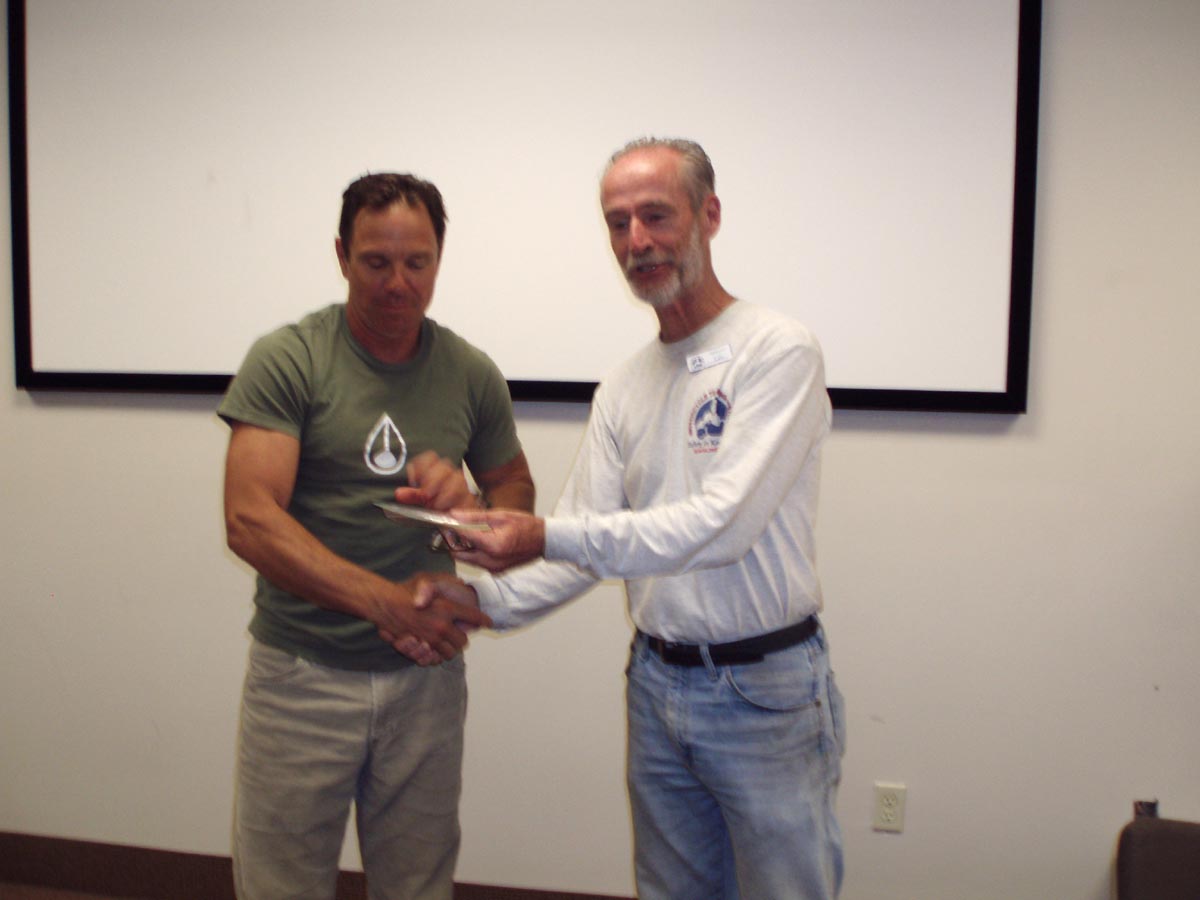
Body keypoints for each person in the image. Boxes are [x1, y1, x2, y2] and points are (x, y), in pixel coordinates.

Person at [430, 138, 845, 899]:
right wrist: (474, 602)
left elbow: (721, 525)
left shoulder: (777, 350)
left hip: (764, 691)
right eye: (617, 223)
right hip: (656, 684)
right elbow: (584, 544)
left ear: (709, 215)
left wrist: (542, 534)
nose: (636, 241)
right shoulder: (623, 386)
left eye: (656, 215)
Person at [219, 172, 535, 900]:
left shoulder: (470, 372)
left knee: (418, 886)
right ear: (341, 255)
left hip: (426, 680)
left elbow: (514, 490)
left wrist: (473, 519)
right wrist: (386, 604)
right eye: (376, 262)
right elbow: (249, 519)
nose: (398, 283)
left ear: (439, 257)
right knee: (281, 887)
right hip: (302, 677)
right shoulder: (290, 359)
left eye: (417, 262)